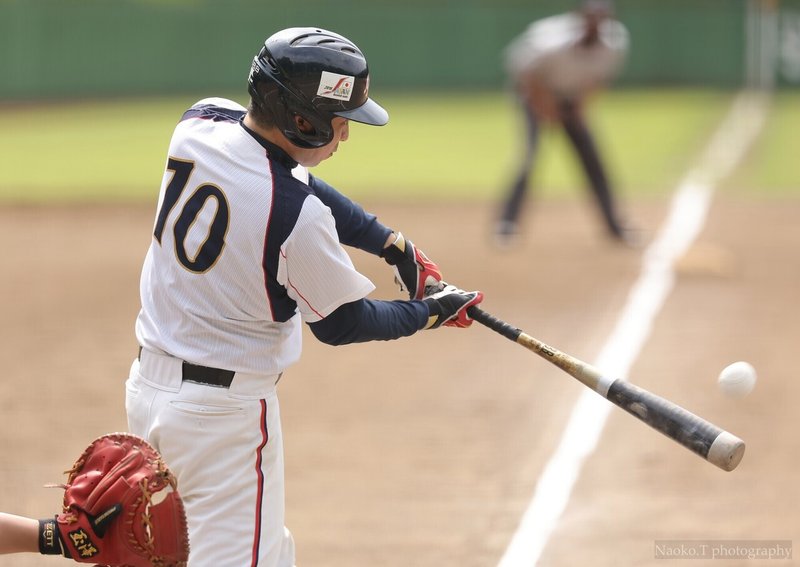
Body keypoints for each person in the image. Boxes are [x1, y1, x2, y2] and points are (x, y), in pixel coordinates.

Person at [124, 27, 484, 567]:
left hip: (148, 392)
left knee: (262, 555)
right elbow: (342, 323)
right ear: (303, 120)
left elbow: (287, 176)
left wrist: (392, 245)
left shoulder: (199, 123)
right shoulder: (297, 218)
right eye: (341, 122)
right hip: (223, 421)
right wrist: (431, 312)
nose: (345, 136)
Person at [496, 0, 636, 245]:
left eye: (601, 19)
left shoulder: (615, 42)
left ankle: (614, 227)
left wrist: (580, 107)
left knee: (593, 160)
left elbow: (599, 79)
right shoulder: (550, 42)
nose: (596, 24)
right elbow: (525, 76)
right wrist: (546, 107)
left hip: (572, 97)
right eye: (592, 18)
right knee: (528, 158)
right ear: (581, 18)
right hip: (534, 95)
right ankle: (507, 224)